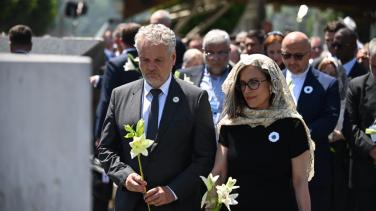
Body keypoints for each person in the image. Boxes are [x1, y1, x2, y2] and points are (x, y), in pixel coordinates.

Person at [97, 24, 217, 211]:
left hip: (177, 205)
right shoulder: (120, 95)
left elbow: (205, 156)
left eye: (158, 60)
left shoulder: (195, 98)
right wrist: (125, 176)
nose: (151, 67)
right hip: (130, 204)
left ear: (173, 58)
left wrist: (173, 190)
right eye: (145, 60)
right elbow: (106, 149)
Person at [211, 54, 314, 211]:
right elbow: (219, 173)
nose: (247, 90)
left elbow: (300, 182)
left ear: (271, 83)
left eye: (254, 82)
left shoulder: (292, 124)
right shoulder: (231, 125)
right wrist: (211, 205)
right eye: (242, 84)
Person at [281, 31, 340, 211]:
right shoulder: (272, 82)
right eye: (286, 55)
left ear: (310, 54)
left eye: (298, 56)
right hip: (279, 168)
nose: (292, 61)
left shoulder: (327, 83)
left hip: (313, 167)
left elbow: (329, 120)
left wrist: (297, 136)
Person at [94, 22, 142, 145]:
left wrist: (100, 132)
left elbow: (106, 99)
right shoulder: (148, 61)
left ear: (120, 40)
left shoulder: (115, 64)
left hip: (120, 124)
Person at [342, 37, 376, 211]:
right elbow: (349, 126)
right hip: (364, 170)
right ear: (369, 58)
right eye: (375, 66)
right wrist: (371, 149)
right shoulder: (357, 86)